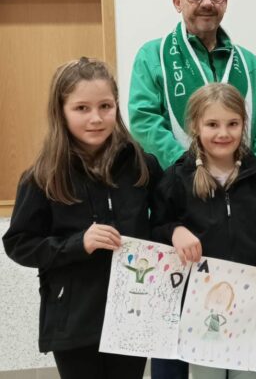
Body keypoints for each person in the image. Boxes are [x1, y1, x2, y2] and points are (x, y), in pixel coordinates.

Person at [3, 58, 161, 379]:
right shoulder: (42, 177)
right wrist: (79, 244)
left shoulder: (142, 165)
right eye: (81, 108)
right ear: (61, 111)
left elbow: (167, 220)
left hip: (132, 313)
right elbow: (19, 244)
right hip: (72, 320)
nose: (96, 118)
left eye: (105, 106)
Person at [150, 83, 256, 379]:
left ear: (244, 125)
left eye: (233, 124)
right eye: (212, 124)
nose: (223, 133)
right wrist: (175, 231)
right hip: (200, 310)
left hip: (251, 306)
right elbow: (155, 229)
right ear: (195, 126)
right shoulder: (178, 178)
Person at [129, 0, 256, 170]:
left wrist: (251, 172)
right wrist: (187, 169)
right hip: (177, 188)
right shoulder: (153, 57)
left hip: (241, 190)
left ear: (225, 2)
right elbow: (144, 121)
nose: (207, 3)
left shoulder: (251, 64)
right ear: (177, 2)